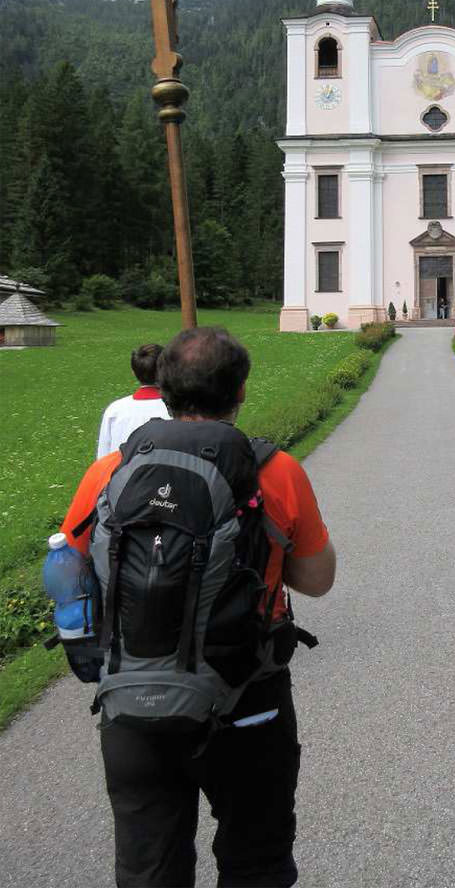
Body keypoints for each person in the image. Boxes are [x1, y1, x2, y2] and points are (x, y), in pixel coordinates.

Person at [63, 326, 336, 888]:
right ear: (241, 392)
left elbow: (70, 571)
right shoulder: (276, 472)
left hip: (133, 701)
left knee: (149, 868)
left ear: (162, 392)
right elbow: (317, 579)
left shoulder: (108, 473)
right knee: (256, 860)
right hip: (246, 698)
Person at [96, 343, 170, 457]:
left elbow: (103, 456)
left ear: (133, 372)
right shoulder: (176, 410)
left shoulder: (115, 410)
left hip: (120, 472)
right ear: (166, 370)